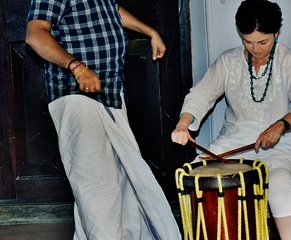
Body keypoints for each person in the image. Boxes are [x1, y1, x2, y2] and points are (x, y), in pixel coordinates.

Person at [25, 0, 181, 239]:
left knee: (121, 182)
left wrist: (150, 31)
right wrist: (77, 67)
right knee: (96, 186)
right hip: (77, 96)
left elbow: (113, 11)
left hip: (109, 94)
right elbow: (35, 34)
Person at [171, 0, 291, 239]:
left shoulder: (290, 61)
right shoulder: (228, 61)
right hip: (234, 143)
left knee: (278, 182)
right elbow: (201, 95)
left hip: (283, 145)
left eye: (263, 42)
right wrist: (183, 124)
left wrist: (279, 127)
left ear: (276, 34)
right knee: (199, 175)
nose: (255, 49)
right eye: (248, 41)